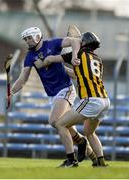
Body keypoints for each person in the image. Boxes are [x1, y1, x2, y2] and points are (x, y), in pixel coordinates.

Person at [10, 27, 97, 165]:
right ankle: (94, 158)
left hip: (65, 89)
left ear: (38, 37)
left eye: (29, 38)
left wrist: (74, 56)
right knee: (66, 127)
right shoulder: (29, 57)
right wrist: (11, 92)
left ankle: (71, 160)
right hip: (53, 95)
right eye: (25, 39)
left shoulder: (52, 44)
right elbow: (22, 80)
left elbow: (75, 40)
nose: (27, 41)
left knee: (54, 121)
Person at [41, 32, 110, 167]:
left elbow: (50, 59)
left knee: (60, 124)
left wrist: (44, 61)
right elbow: (77, 75)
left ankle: (71, 160)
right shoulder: (98, 60)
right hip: (105, 101)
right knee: (90, 132)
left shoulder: (79, 54)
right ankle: (100, 163)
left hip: (91, 100)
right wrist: (63, 69)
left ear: (83, 43)